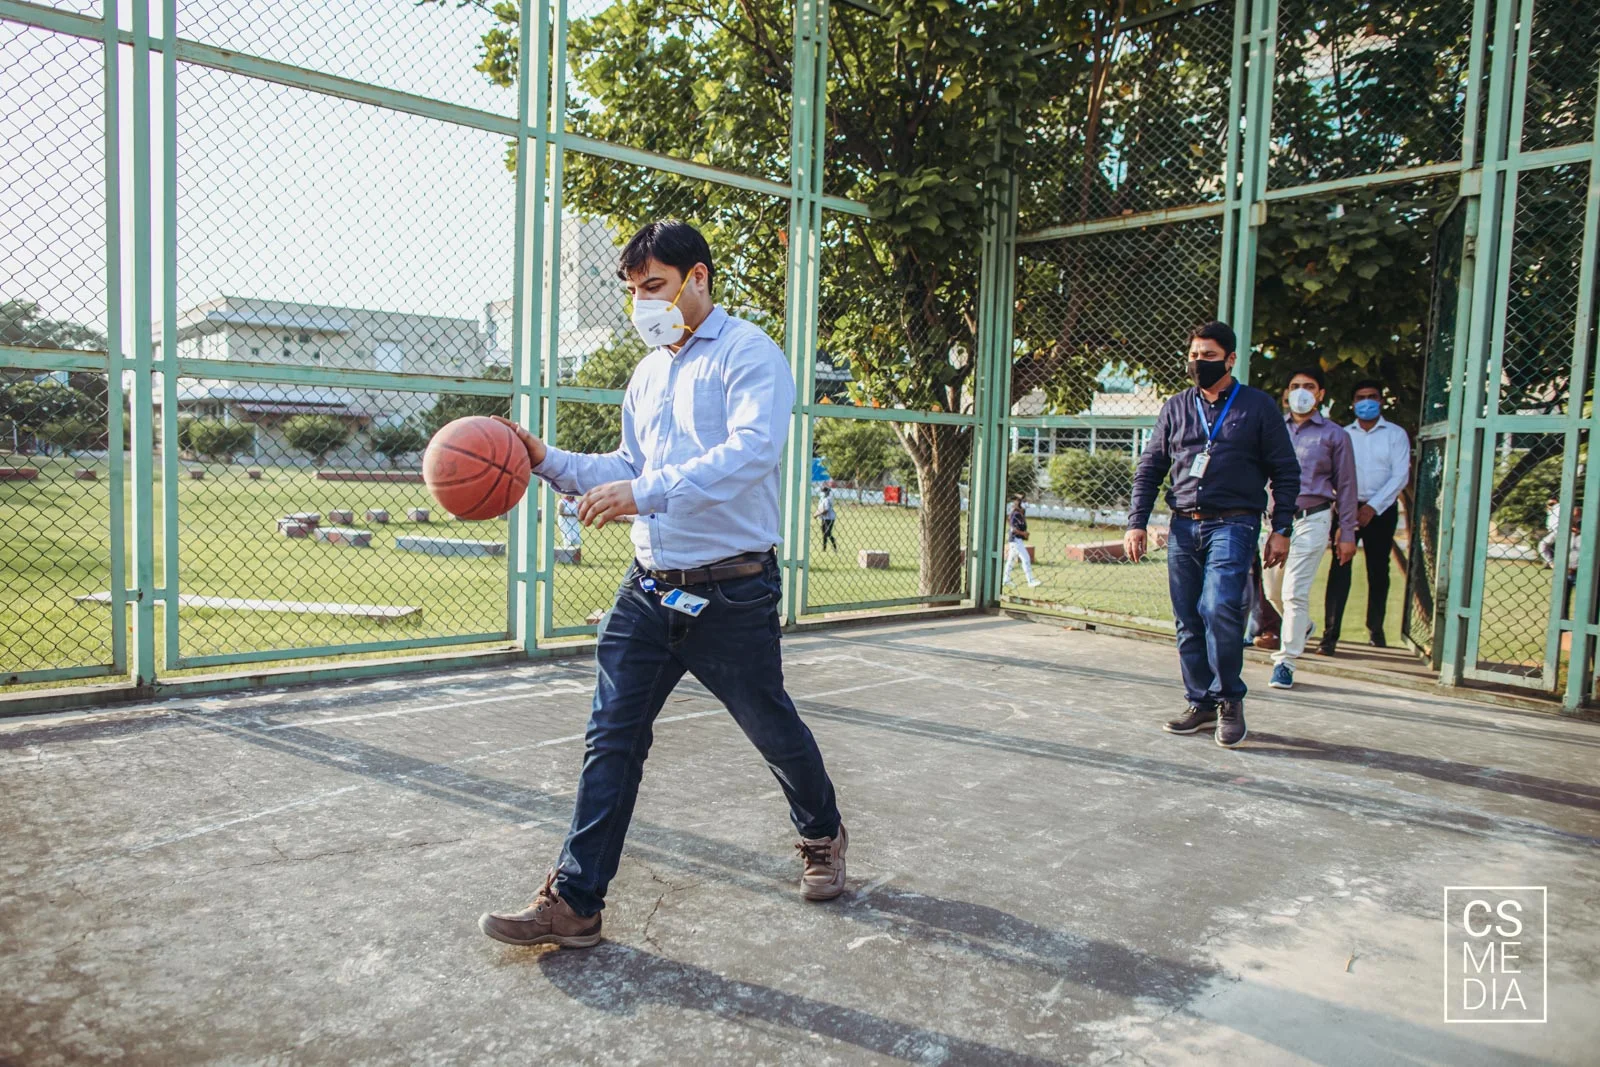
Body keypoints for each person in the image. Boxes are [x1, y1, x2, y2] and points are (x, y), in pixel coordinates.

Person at [480, 220, 847, 950]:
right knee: (610, 738)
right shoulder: (647, 373)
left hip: (731, 590)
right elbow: (626, 464)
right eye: (632, 291)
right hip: (650, 590)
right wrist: (543, 457)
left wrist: (644, 492)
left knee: (770, 726)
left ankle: (822, 833)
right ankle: (576, 900)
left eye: (654, 286)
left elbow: (749, 453)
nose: (642, 302)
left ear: (698, 278)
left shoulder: (750, 355)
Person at [1124, 321, 1300, 748]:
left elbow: (1285, 470)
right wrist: (1136, 521)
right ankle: (1200, 701)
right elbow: (1151, 468)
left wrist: (1281, 528)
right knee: (1187, 618)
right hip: (1184, 524)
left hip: (1235, 523)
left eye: (1208, 356)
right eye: (1195, 355)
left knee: (1218, 606)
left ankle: (1229, 701)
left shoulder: (1257, 408)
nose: (1198, 363)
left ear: (1231, 358)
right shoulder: (1176, 407)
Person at [1260, 367, 1358, 690]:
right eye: (1295, 385)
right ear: (1286, 393)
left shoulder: (1334, 435)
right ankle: (1303, 626)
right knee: (1273, 591)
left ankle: (1285, 662)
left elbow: (1346, 485)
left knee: (1293, 592)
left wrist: (1347, 530)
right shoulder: (1272, 430)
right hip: (1275, 521)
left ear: (1320, 395)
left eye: (1309, 386)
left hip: (1313, 518)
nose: (1301, 391)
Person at [1319, 379, 1411, 654]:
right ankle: (1329, 635)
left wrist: (1372, 507)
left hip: (1381, 510)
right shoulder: (1342, 434)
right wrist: (1349, 507)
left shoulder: (1395, 434)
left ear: (1381, 401)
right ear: (1353, 402)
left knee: (1378, 570)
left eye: (1372, 396)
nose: (1366, 401)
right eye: (1361, 397)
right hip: (1346, 507)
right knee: (1340, 567)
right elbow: (1333, 473)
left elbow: (1400, 475)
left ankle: (1376, 631)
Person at [1003, 494, 1042, 587]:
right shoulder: (1016, 514)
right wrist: (1023, 533)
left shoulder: (1021, 514)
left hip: (1017, 540)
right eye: (1024, 501)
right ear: (1019, 503)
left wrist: (1024, 534)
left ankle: (1006, 579)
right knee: (1026, 558)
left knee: (1010, 561)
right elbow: (1013, 529)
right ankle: (1030, 581)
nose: (1026, 503)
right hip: (1015, 540)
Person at [815, 486, 838, 551]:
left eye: (822, 492)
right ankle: (824, 548)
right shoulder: (822, 499)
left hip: (829, 518)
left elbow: (826, 510)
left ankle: (835, 547)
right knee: (824, 533)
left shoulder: (827, 499)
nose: (821, 493)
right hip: (824, 518)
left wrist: (816, 514)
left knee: (828, 533)